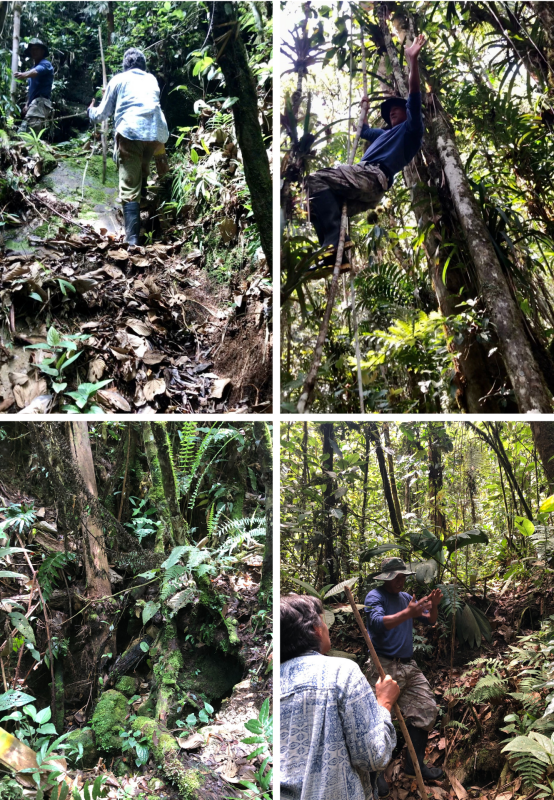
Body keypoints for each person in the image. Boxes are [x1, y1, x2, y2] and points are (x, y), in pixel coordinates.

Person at [306, 33, 426, 267]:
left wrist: (413, 61)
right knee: (313, 204)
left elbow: (414, 97)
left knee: (313, 181)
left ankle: (332, 242)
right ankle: (335, 257)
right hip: (368, 187)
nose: (392, 111)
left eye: (396, 108)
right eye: (389, 110)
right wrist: (364, 108)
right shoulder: (383, 135)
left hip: (371, 176)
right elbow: (363, 130)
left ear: (406, 113)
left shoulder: (411, 132)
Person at [280, 593, 400, 800]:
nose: (328, 628)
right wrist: (385, 703)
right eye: (323, 622)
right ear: (315, 630)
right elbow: (373, 757)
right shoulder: (342, 672)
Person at [364, 557, 444, 798]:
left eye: (403, 576)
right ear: (387, 578)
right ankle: (373, 776)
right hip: (383, 665)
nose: (401, 580)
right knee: (375, 718)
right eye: (397, 577)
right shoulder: (374, 597)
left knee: (427, 709)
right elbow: (377, 624)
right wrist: (407, 612)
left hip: (408, 665)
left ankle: (414, 765)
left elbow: (430, 620)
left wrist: (433, 605)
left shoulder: (404, 597)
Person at [88, 47, 169, 245]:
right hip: (155, 133)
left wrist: (90, 111)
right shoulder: (151, 79)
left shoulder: (119, 79)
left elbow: (102, 114)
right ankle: (145, 221)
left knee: (129, 184)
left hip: (131, 131)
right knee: (142, 170)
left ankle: (132, 242)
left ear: (125, 66)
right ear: (143, 66)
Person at [14, 38, 54, 132]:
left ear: (42, 51)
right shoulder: (32, 68)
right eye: (32, 50)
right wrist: (27, 104)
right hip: (33, 103)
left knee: (29, 130)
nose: (34, 52)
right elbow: (31, 90)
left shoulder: (45, 64)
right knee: (26, 130)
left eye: (36, 49)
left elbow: (37, 71)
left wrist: (23, 74)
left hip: (41, 102)